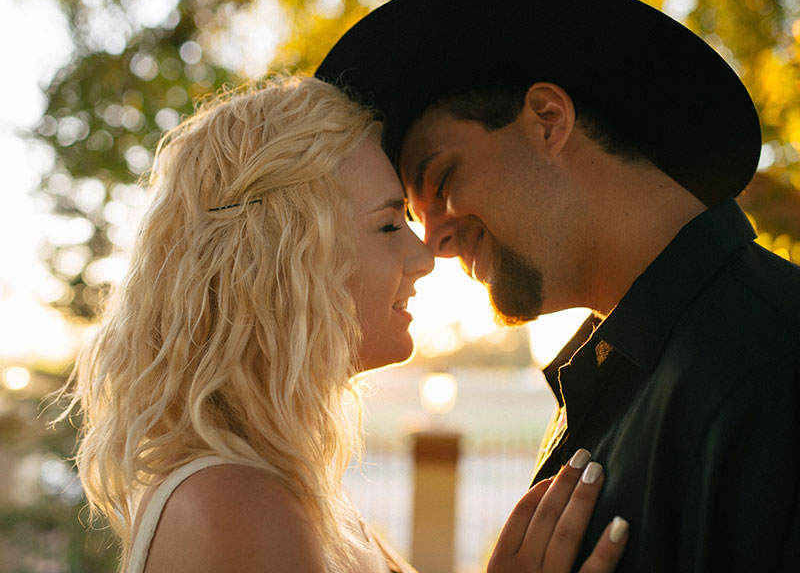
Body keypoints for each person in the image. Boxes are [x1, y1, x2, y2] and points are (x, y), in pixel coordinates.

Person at [315, 0, 800, 571]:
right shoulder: (611, 377)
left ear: (547, 120)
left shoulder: (775, 365)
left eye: (441, 180)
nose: (434, 240)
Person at [57, 75, 628, 573]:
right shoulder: (233, 505)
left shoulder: (296, 491)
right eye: (387, 226)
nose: (425, 255)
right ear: (282, 259)